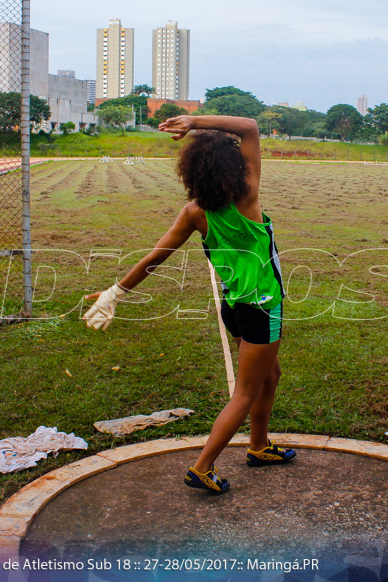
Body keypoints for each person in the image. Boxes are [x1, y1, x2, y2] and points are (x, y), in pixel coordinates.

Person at [82, 114, 295, 494]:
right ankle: (202, 467)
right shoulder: (247, 195)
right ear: (232, 167)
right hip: (262, 309)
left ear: (193, 172)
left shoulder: (195, 212)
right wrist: (194, 121)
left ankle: (259, 446)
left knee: (270, 375)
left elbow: (155, 257)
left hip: (235, 309)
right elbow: (248, 126)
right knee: (245, 393)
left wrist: (115, 292)